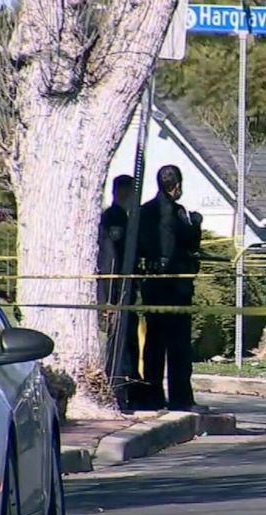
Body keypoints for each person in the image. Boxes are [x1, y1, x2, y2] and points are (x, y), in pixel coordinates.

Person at [138, 165, 206, 412]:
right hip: (176, 289)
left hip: (153, 287)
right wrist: (196, 223)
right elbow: (190, 244)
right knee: (178, 345)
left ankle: (152, 394)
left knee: (154, 343)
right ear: (176, 185)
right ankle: (180, 397)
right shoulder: (177, 213)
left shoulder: (143, 212)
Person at [98, 175, 142, 408]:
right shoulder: (112, 219)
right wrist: (110, 299)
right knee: (118, 345)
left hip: (126, 292)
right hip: (115, 293)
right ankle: (117, 389)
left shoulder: (126, 219)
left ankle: (130, 387)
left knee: (129, 341)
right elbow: (110, 261)